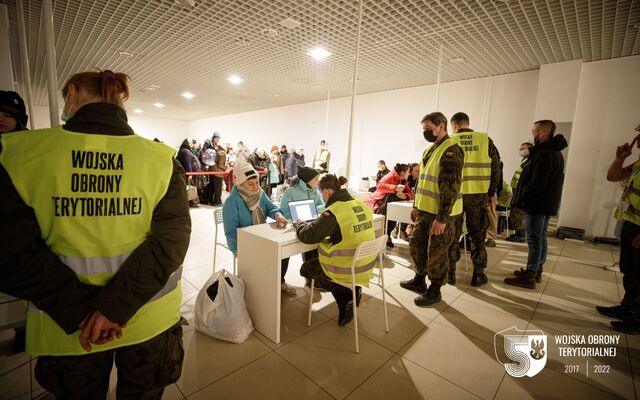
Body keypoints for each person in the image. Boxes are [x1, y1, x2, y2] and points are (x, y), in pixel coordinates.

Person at [0, 70, 190, 399]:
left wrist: (85, 315)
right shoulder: (161, 160)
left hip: (68, 326)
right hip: (148, 319)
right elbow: (170, 244)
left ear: (72, 94)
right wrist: (112, 310)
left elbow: (11, 252)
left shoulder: (19, 155)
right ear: (119, 99)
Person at [400, 112, 463, 306]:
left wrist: (442, 218)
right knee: (416, 245)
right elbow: (423, 180)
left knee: (437, 253)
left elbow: (451, 187)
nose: (426, 132)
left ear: (441, 126)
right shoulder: (429, 151)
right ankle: (420, 279)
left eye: (428, 129)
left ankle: (435, 290)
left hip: (442, 214)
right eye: (424, 129)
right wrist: (416, 204)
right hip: (424, 211)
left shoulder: (451, 150)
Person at [295, 175, 373, 326]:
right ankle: (352, 290)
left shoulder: (335, 211)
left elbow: (308, 235)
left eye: (320, 194)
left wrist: (299, 225)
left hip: (345, 268)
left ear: (325, 192)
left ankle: (346, 295)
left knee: (306, 269)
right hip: (366, 265)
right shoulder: (360, 204)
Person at [505, 120, 567, 289]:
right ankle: (536, 270)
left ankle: (530, 274)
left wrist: (524, 198)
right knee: (540, 237)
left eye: (533, 132)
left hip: (537, 204)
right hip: (545, 203)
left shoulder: (545, 153)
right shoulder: (554, 152)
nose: (531, 135)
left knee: (534, 239)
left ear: (541, 134)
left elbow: (537, 182)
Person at [223, 163, 296, 294]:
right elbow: (230, 232)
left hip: (261, 237)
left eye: (257, 182)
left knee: (282, 251)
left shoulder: (260, 193)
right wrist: (250, 246)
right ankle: (262, 287)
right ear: (240, 183)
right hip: (242, 243)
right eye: (250, 184)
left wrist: (277, 214)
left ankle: (279, 281)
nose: (256, 186)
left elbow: (271, 208)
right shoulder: (232, 202)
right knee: (269, 254)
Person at [449, 112, 501, 286]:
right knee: (477, 236)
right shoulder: (484, 140)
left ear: (454, 124)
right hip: (478, 195)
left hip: (455, 196)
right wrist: (491, 192)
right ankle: (478, 275)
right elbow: (496, 168)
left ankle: (450, 274)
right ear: (467, 123)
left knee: (453, 235)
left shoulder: (450, 141)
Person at [597, 135, 640, 334]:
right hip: (630, 223)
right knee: (629, 270)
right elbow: (613, 176)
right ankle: (627, 308)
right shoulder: (639, 163)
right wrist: (620, 157)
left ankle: (637, 319)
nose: (637, 139)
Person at [0, 90, 29, 353]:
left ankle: (23, 329)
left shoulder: (30, 148)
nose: (2, 118)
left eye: (8, 114)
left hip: (22, 228)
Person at [365, 163, 414, 248]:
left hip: (389, 206)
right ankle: (384, 236)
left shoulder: (404, 181)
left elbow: (410, 193)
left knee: (394, 212)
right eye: (408, 172)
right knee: (391, 203)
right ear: (402, 172)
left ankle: (386, 235)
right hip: (378, 202)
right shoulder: (391, 175)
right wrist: (395, 188)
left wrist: (405, 195)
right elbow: (379, 186)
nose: (409, 174)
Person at [506, 142, 534, 242]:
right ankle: (519, 233)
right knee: (516, 211)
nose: (520, 150)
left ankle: (521, 234)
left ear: (529, 149)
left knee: (517, 211)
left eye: (523, 148)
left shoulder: (529, 161)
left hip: (520, 190)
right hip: (517, 189)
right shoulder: (525, 159)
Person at [177, 138, 202, 207]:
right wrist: (190, 173)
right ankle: (193, 202)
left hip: (187, 173)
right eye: (190, 143)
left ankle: (192, 201)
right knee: (190, 187)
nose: (191, 144)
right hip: (189, 174)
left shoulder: (184, 150)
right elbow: (187, 163)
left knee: (189, 187)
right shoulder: (185, 151)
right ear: (187, 143)